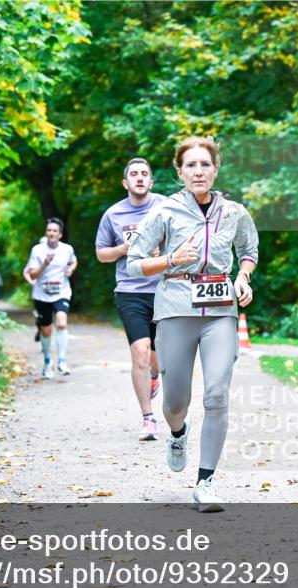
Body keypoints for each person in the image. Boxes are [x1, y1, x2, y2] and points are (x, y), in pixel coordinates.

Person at [126, 137, 258, 512]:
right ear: (179, 172)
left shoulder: (233, 212)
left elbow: (248, 251)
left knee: (216, 395)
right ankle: (177, 433)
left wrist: (243, 277)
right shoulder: (164, 212)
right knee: (175, 400)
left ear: (215, 170)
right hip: (174, 310)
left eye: (205, 164)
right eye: (191, 165)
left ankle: (205, 483)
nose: (198, 171)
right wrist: (169, 259)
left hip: (220, 312)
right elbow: (134, 262)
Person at [96, 158, 166, 441]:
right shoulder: (113, 215)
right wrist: (125, 249)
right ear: (125, 183)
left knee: (161, 360)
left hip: (165, 290)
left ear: (151, 181)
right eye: (134, 174)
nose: (139, 178)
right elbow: (101, 254)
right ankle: (148, 419)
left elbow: (187, 238)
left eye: (144, 174)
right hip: (131, 291)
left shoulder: (166, 206)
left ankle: (154, 374)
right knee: (139, 351)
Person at [26, 219, 77, 377]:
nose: (51, 233)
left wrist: (70, 269)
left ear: (60, 234)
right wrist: (45, 264)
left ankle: (62, 361)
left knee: (61, 323)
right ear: (46, 233)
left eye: (55, 231)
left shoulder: (67, 249)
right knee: (46, 331)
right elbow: (32, 274)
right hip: (41, 295)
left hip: (61, 292)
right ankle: (48, 362)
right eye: (49, 230)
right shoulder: (38, 250)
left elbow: (74, 261)